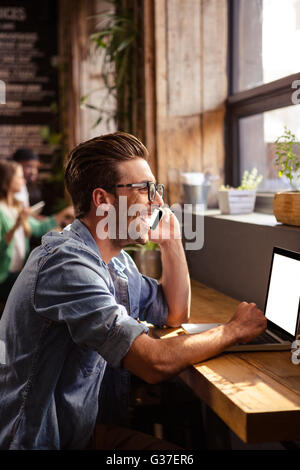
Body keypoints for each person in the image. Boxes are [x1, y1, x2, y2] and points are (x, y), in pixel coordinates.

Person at [0, 132, 266, 450]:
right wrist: (233, 330)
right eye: (145, 189)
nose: (158, 201)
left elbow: (173, 311)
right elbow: (153, 363)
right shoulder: (67, 265)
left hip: (79, 432)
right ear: (103, 200)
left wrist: (172, 242)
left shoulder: (117, 261)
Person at [0, 160, 74, 303]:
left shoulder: (17, 207)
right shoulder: (2, 211)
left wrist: (62, 214)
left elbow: (39, 229)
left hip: (18, 271)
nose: (23, 181)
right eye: (19, 177)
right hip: (4, 276)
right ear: (8, 180)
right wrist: (16, 225)